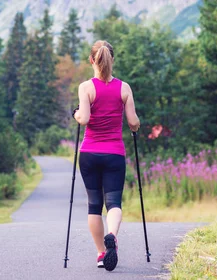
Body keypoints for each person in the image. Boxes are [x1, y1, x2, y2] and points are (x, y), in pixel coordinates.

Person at [73, 40, 140, 272]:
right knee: (113, 202)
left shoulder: (85, 87)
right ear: (112, 59)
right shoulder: (124, 88)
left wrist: (75, 114)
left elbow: (84, 119)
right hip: (114, 154)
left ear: (92, 60)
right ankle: (112, 235)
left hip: (90, 153)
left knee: (94, 205)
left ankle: (102, 253)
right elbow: (133, 122)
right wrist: (135, 127)